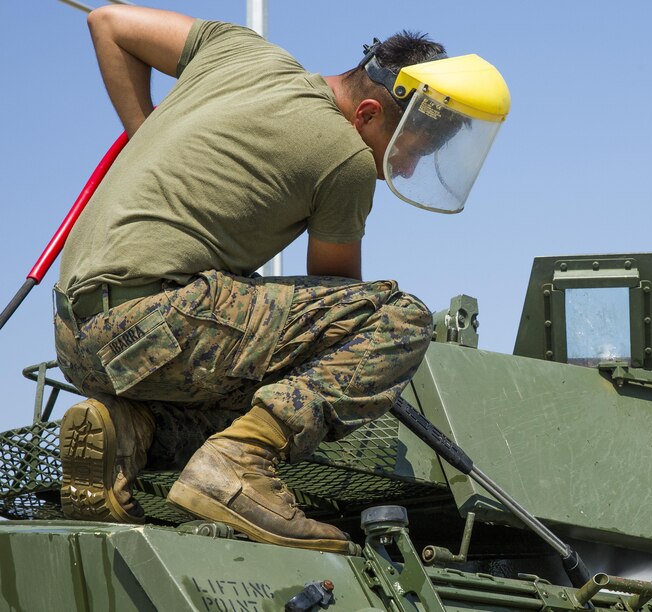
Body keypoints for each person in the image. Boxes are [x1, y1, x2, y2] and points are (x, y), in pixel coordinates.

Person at [52, 5, 508, 555]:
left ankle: (128, 428)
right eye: (406, 153)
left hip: (76, 338)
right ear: (366, 113)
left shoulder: (238, 51)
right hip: (158, 322)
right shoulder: (346, 161)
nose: (402, 172)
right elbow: (344, 314)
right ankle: (239, 467)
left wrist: (144, 135)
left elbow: (108, 22)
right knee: (397, 320)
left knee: (262, 404)